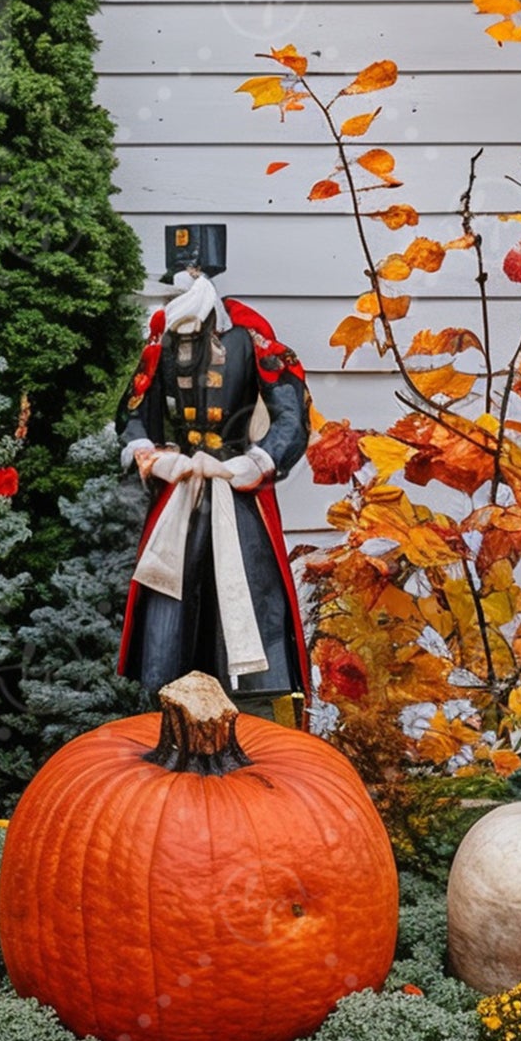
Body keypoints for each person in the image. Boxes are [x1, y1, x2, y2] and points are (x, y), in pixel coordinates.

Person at [117, 221, 311, 699]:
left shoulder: (250, 333)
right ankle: (168, 707)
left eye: (196, 269)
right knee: (168, 611)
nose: (187, 277)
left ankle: (254, 710)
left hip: (236, 491)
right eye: (180, 272)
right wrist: (151, 456)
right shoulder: (160, 339)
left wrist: (257, 462)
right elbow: (133, 413)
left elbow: (292, 413)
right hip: (178, 494)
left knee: (247, 592)